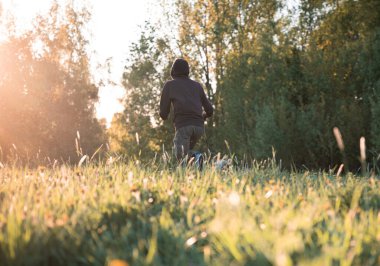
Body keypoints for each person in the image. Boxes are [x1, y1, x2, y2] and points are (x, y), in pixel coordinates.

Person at [159, 58, 213, 162]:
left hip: (184, 126)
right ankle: (197, 169)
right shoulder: (197, 86)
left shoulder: (170, 85)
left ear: (173, 71)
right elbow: (210, 110)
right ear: (187, 71)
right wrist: (203, 116)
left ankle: (197, 157)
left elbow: (163, 114)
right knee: (186, 157)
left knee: (180, 156)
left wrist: (164, 114)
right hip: (199, 127)